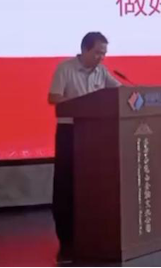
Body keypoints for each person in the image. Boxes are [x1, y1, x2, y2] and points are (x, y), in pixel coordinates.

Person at [48, 32, 122, 259]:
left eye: (104, 53)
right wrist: (82, 105)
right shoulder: (65, 68)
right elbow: (53, 98)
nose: (102, 57)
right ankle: (66, 241)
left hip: (96, 136)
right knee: (66, 186)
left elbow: (120, 93)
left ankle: (93, 235)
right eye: (98, 52)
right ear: (85, 49)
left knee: (93, 186)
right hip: (70, 133)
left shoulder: (102, 71)